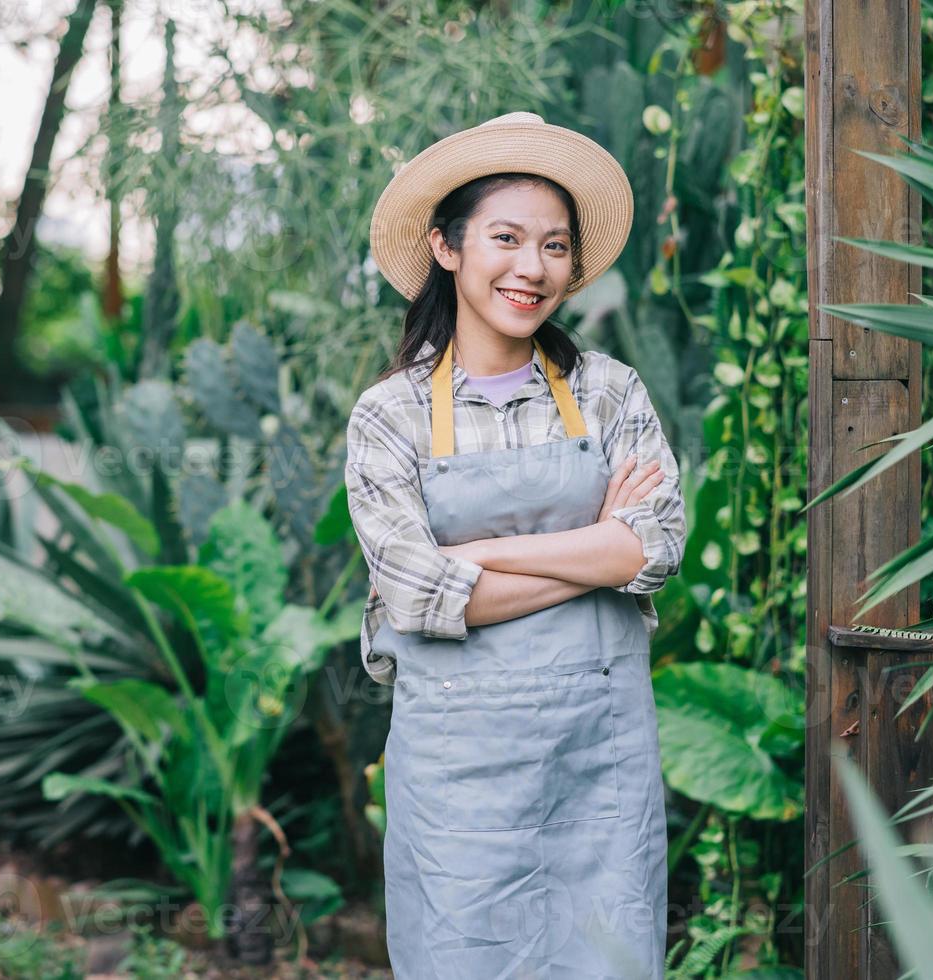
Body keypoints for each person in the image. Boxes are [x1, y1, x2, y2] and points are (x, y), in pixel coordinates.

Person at [346, 111, 686, 979]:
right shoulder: (391, 417)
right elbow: (420, 598)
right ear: (448, 248)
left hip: (597, 766)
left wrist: (488, 555)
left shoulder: (609, 392)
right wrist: (592, 548)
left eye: (555, 246)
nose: (532, 268)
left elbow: (653, 547)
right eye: (506, 238)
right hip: (461, 785)